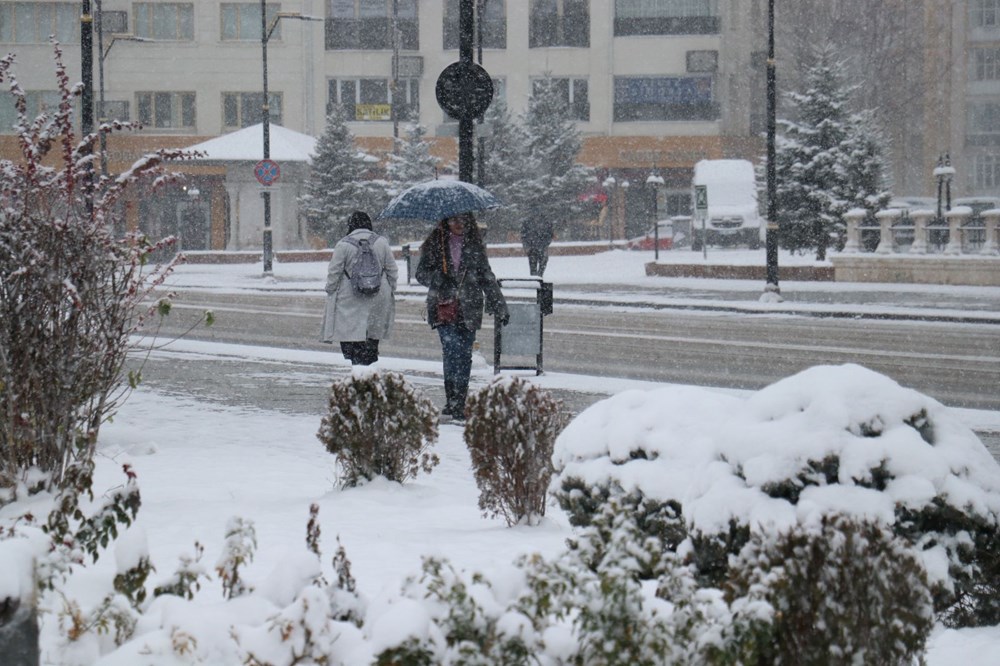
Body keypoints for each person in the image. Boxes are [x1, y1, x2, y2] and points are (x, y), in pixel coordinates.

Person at [416, 213, 509, 421]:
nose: (458, 224)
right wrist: (436, 278)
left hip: (469, 308)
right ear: (445, 222)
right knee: (451, 353)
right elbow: (421, 273)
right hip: (444, 307)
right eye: (453, 220)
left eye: (462, 220)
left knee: (464, 356)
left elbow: (487, 276)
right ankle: (453, 401)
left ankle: (459, 400)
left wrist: (499, 305)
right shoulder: (435, 244)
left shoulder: (474, 246)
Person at [320, 211, 398, 365]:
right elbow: (392, 270)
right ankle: (369, 361)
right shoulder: (381, 242)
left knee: (352, 335)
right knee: (371, 334)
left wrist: (330, 289)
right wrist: (390, 289)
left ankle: (357, 367)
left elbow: (334, 272)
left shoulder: (343, 244)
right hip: (378, 294)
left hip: (350, 297)